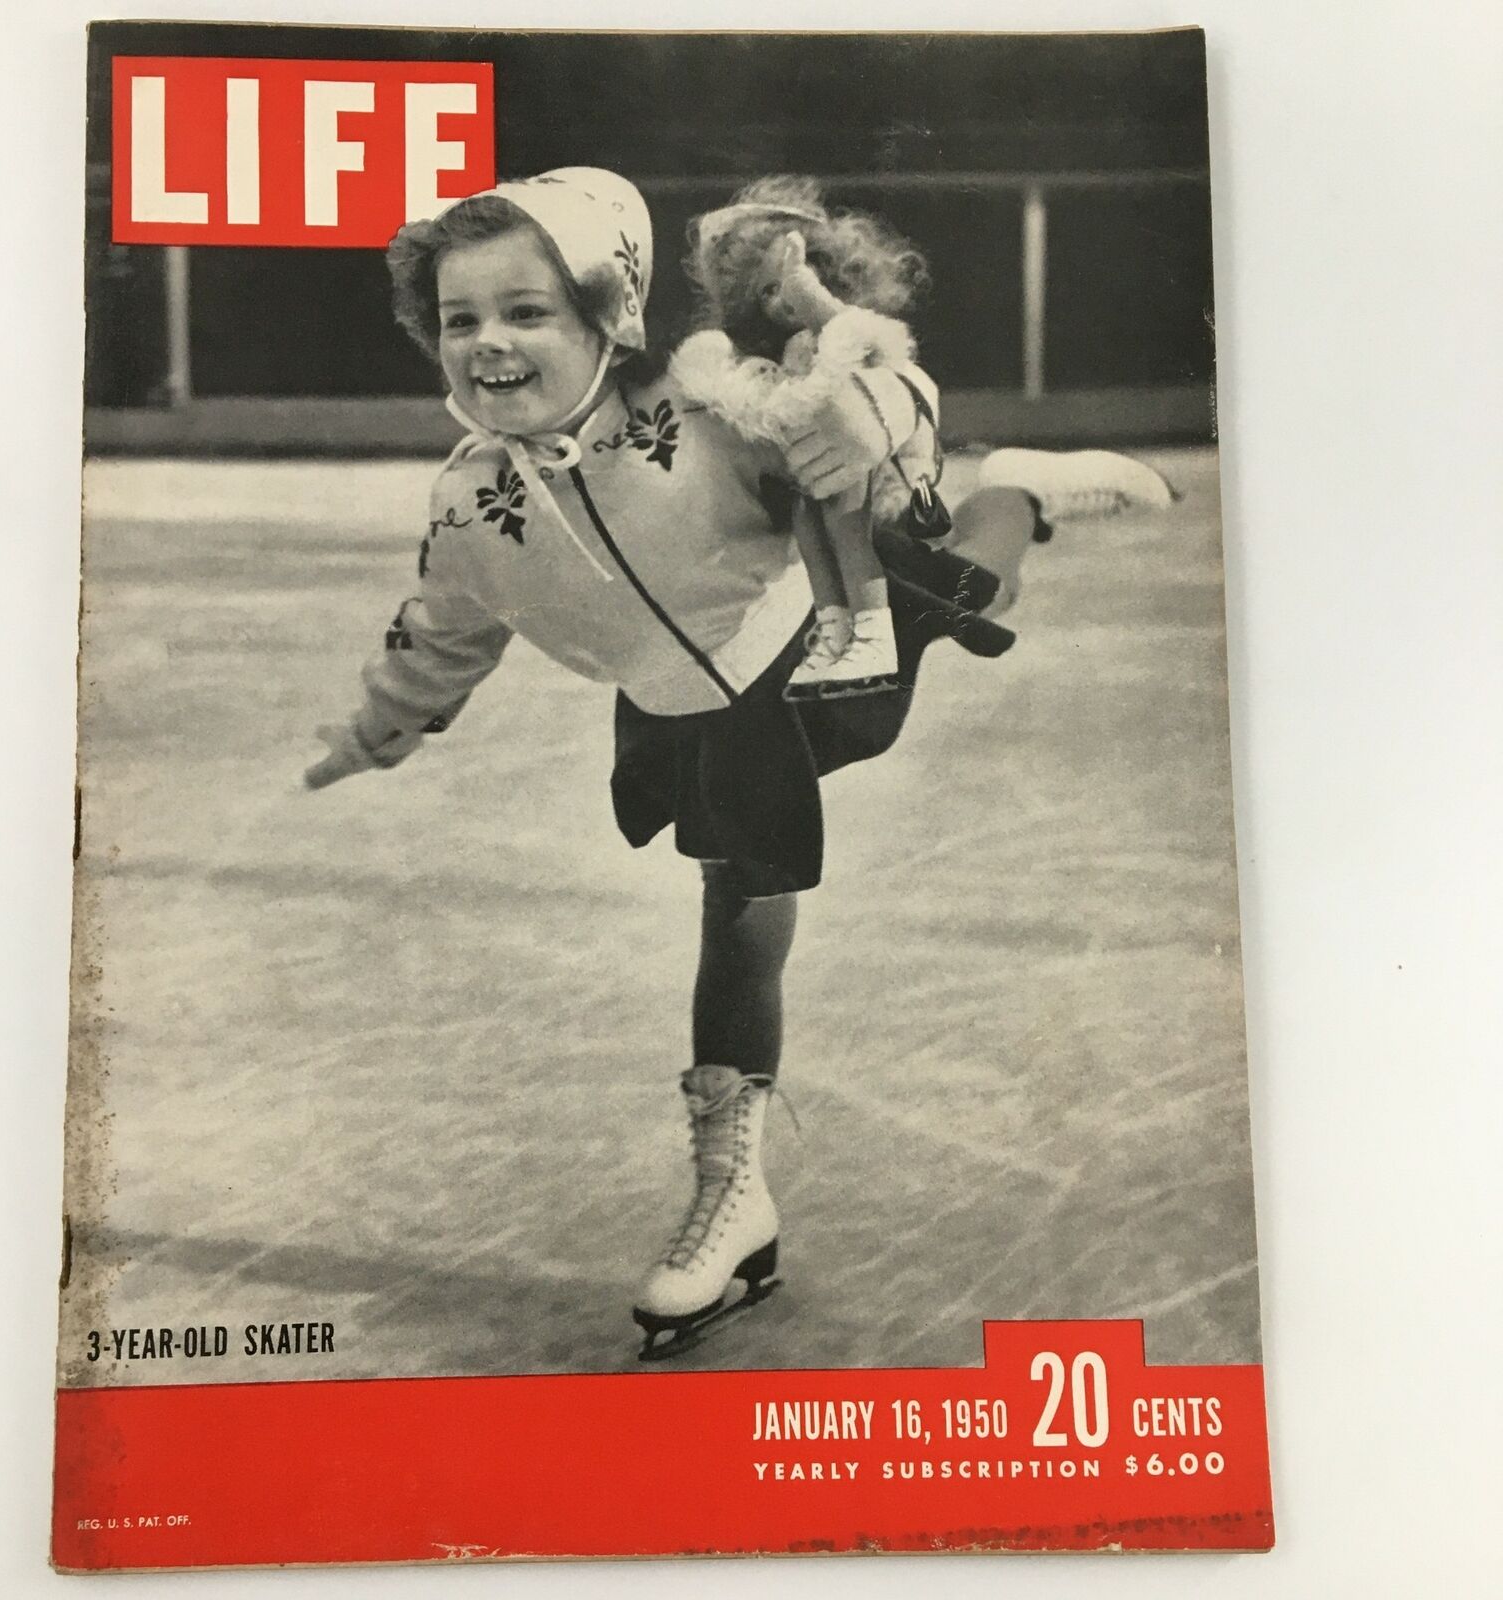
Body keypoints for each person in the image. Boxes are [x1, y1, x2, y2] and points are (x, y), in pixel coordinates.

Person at [305, 167, 1170, 1359]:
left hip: (815, 654)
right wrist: (374, 728)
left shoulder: (700, 407)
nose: (489, 343)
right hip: (682, 718)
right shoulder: (467, 502)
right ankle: (733, 1188)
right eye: (461, 320)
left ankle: (1016, 480)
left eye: (527, 311)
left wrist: (861, 431)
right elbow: (444, 628)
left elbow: (881, 387)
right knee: (740, 912)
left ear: (608, 315)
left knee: (971, 587)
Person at [670, 176, 937, 699]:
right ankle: (834, 628)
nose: (783, 299)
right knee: (812, 533)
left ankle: (873, 635)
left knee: (847, 533)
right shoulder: (781, 348)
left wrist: (806, 292)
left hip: (868, 460)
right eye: (768, 291)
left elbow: (883, 356)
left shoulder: (842, 327)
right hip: (815, 467)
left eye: (795, 279)